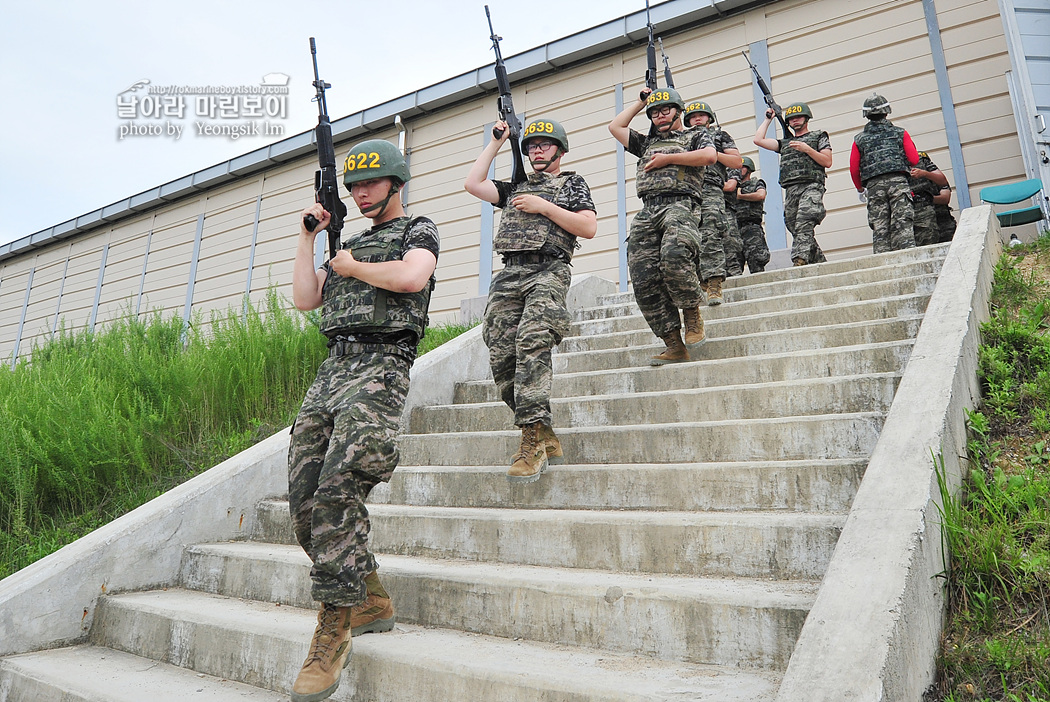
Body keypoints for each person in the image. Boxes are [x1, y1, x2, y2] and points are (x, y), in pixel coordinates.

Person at [288, 138, 439, 702]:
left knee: (337, 491)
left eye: (370, 182)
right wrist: (310, 239)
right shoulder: (344, 244)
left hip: (381, 366)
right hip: (333, 369)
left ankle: (334, 626)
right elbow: (307, 299)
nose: (360, 192)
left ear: (396, 182)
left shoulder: (417, 230)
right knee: (303, 501)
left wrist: (351, 264)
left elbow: (411, 279)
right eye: (353, 186)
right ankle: (370, 592)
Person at [464, 118, 596, 483]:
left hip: (549, 269)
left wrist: (544, 207)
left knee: (532, 341)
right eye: (532, 145)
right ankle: (542, 428)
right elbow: (473, 183)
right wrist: (496, 141)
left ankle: (530, 444)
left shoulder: (571, 183)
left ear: (560, 150)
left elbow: (588, 227)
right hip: (510, 273)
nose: (537, 149)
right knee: (501, 356)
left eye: (545, 144)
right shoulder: (515, 187)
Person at [609, 87, 716, 365]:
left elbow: (708, 156)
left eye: (665, 109)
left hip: (681, 204)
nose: (660, 115)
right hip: (648, 210)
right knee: (643, 277)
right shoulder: (645, 144)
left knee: (674, 255)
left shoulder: (694, 134)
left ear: (679, 111)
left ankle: (692, 313)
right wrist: (640, 102)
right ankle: (673, 343)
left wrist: (668, 159)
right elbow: (615, 126)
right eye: (654, 112)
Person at [754, 101, 832, 266]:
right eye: (791, 118)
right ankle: (820, 263)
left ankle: (799, 260)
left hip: (812, 186)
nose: (795, 121)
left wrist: (807, 149)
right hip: (791, 189)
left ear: (806, 118)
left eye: (799, 117)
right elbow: (758, 140)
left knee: (805, 220)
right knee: (794, 226)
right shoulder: (785, 143)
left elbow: (827, 161)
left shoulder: (818, 136)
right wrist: (768, 119)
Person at [683, 100, 742, 304]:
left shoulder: (720, 136)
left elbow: (736, 162)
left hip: (710, 187)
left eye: (701, 114)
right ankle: (700, 281)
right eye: (692, 116)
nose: (697, 118)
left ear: (709, 117)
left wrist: (710, 153)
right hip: (686, 192)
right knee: (688, 237)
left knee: (710, 231)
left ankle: (715, 281)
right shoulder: (683, 137)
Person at [848, 94, 920, 253]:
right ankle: (909, 258)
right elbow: (914, 159)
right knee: (903, 224)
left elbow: (854, 169)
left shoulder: (859, 139)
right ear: (887, 111)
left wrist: (860, 189)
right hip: (898, 183)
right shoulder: (900, 132)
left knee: (880, 229)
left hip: (874, 187)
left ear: (866, 115)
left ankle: (883, 263)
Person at [735, 156, 771, 273]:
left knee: (756, 263)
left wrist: (741, 196)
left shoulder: (756, 183)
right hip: (735, 229)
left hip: (751, 228)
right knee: (733, 265)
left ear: (749, 169)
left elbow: (761, 195)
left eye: (742, 167)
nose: (738, 170)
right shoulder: (733, 186)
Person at [909, 150, 950, 246]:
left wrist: (927, 198)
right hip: (921, 225)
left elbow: (945, 197)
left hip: (943, 222)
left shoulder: (932, 175)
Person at [723, 165, 746, 277]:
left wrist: (711, 183)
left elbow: (730, 186)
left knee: (731, 244)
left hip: (726, 209)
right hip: (705, 209)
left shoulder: (731, 167)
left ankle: (735, 274)